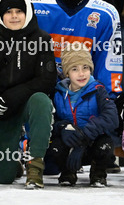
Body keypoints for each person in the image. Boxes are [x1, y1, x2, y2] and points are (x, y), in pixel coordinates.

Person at [0, 0, 57, 188]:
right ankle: (5, 163)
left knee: (42, 101)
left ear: (27, 12)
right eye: (8, 11)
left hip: (27, 101)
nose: (14, 16)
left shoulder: (42, 39)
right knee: (4, 177)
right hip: (1, 108)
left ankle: (35, 166)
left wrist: (14, 94)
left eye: (19, 11)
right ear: (0, 14)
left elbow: (47, 79)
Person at [31, 0, 122, 95]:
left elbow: (109, 64)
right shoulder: (34, 8)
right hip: (44, 91)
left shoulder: (106, 14)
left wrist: (107, 97)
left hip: (84, 94)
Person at [48, 46, 118, 187]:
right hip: (71, 143)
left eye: (85, 68)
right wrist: (62, 127)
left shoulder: (98, 90)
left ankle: (98, 174)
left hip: (92, 143)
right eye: (75, 69)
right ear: (67, 73)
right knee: (55, 147)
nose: (81, 74)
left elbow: (111, 118)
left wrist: (84, 136)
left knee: (105, 144)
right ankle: (67, 171)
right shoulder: (58, 93)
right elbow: (51, 121)